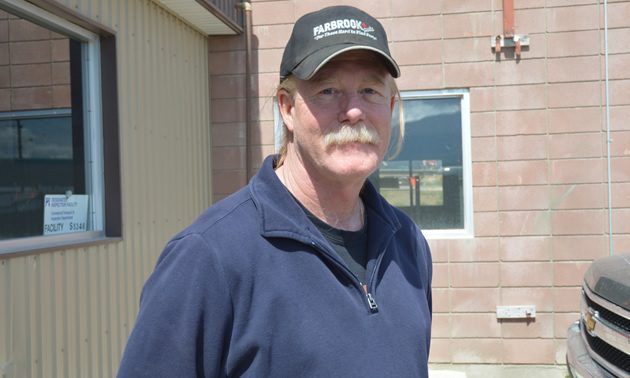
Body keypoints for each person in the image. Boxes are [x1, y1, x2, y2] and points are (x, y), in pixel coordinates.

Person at [118, 5, 432, 377]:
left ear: (391, 106)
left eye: (370, 90)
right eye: (328, 90)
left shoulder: (407, 242)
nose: (353, 111)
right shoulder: (209, 256)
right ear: (287, 108)